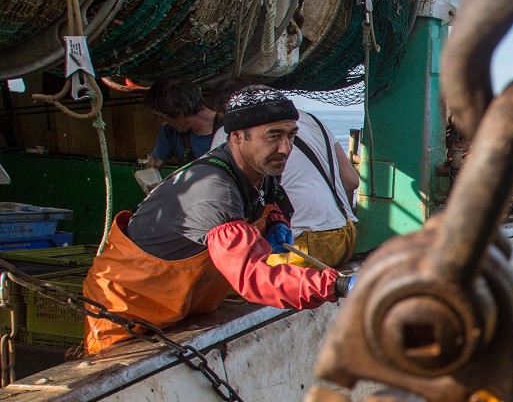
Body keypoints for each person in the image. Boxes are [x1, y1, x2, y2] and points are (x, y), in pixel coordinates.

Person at [84, 86, 352, 353]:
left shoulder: (261, 169)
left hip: (183, 303)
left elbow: (272, 200)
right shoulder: (213, 189)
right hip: (127, 310)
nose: (285, 148)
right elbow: (251, 276)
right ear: (236, 136)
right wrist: (337, 285)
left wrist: (276, 224)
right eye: (273, 136)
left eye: (291, 135)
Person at [210, 78, 360, 268]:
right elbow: (351, 180)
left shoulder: (231, 135)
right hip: (345, 236)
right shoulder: (313, 121)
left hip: (302, 243)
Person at [144, 78, 217, 168]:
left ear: (179, 113)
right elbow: (153, 165)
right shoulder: (169, 130)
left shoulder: (226, 129)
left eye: (162, 118)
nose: (163, 124)